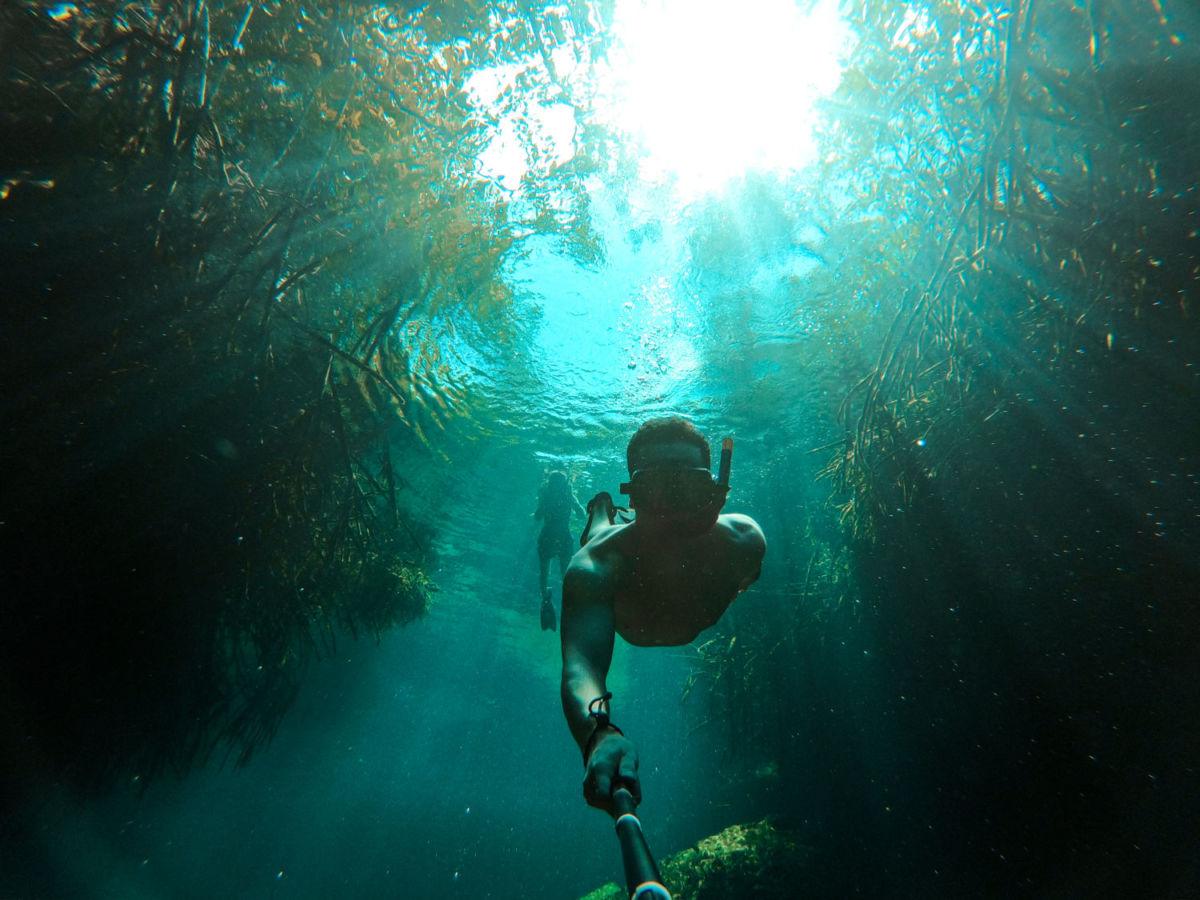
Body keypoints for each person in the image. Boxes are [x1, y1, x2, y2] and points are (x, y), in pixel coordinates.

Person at [560, 417, 766, 814]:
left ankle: (605, 512)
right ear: (635, 496)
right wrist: (598, 734)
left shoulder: (745, 543)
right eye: (657, 489)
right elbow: (580, 668)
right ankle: (601, 513)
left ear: (712, 490)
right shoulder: (595, 567)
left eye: (686, 487)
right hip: (609, 541)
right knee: (597, 535)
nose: (672, 509)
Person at [535, 469, 586, 631]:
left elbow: (537, 516)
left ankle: (545, 598)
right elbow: (582, 515)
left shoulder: (546, 495)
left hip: (548, 535)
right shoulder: (568, 496)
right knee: (566, 574)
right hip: (564, 537)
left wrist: (544, 507)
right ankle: (571, 602)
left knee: (544, 572)